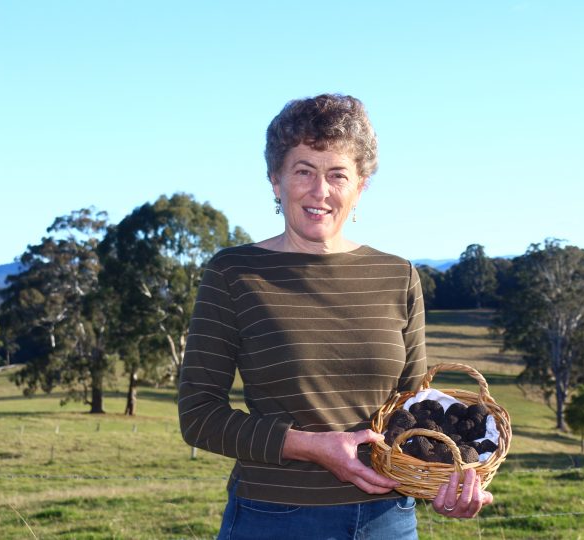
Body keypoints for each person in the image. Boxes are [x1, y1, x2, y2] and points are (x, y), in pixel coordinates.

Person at [178, 94, 493, 540]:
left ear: (360, 185)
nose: (319, 191)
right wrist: (311, 447)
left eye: (337, 175)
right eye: (303, 170)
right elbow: (198, 416)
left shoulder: (398, 275)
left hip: (389, 519)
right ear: (275, 180)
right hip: (275, 518)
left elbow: (415, 414)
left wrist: (446, 484)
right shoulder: (234, 273)